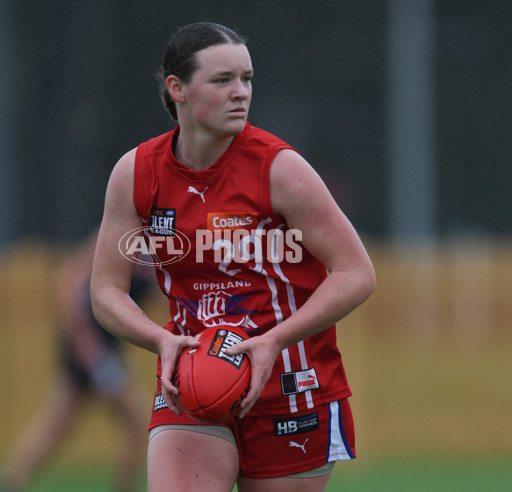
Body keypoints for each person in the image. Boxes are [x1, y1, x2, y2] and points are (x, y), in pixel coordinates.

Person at [90, 22, 376, 492]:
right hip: (194, 379)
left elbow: (356, 274)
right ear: (176, 88)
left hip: (292, 384)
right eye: (222, 80)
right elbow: (104, 291)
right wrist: (159, 341)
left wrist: (274, 341)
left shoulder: (280, 169)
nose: (240, 93)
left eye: (246, 79)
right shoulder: (136, 173)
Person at [0, 231, 151, 492]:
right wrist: (85, 344)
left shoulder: (167, 239)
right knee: (134, 422)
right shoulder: (124, 229)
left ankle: (7, 485)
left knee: (59, 425)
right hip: (91, 345)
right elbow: (67, 278)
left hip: (106, 346)